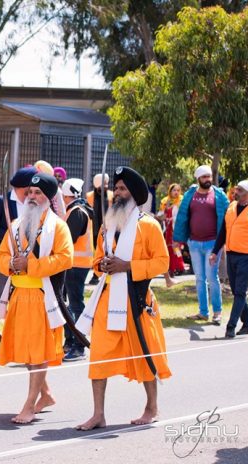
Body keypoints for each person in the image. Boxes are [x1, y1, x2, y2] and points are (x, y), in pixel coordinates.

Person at [75, 166, 171, 431]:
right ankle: (98, 414)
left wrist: (127, 266)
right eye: (115, 188)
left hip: (137, 301)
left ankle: (151, 407)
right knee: (98, 357)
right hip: (107, 300)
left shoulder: (148, 225)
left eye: (122, 189)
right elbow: (96, 259)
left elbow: (162, 263)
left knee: (144, 353)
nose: (117, 193)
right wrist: (101, 265)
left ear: (134, 193)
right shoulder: (106, 225)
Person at [0, 173, 73, 424]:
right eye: (30, 192)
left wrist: (32, 265)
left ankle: (29, 405)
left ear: (48, 198)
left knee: (38, 354)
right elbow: (0, 256)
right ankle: (46, 394)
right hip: (18, 296)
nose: (32, 197)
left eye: (38, 193)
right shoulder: (16, 224)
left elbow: (65, 259)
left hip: (42, 296)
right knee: (28, 353)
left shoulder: (57, 226)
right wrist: (12, 264)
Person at [0, 167, 36, 337]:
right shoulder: (3, 201)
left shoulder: (33, 201)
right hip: (7, 256)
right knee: (2, 291)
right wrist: (9, 237)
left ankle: (19, 327)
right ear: (23, 186)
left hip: (28, 257)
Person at [174, 165, 229, 324]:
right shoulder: (190, 195)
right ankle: (203, 312)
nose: (207, 179)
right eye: (204, 177)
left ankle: (217, 312)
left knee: (212, 277)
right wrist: (178, 238)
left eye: (209, 176)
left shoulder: (219, 195)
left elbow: (227, 218)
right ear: (198, 178)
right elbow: (183, 217)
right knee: (199, 278)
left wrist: (225, 240)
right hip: (194, 243)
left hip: (213, 243)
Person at [209, 180, 248, 338]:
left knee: (240, 292)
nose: (236, 192)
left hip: (247, 256)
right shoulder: (231, 207)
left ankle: (231, 326)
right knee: (237, 290)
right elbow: (223, 231)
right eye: (236, 189)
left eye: (240, 190)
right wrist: (215, 252)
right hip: (231, 253)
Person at [61, 178, 93, 362]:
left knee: (74, 305)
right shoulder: (79, 210)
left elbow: (68, 240)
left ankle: (79, 345)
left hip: (75, 264)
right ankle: (71, 340)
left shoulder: (76, 212)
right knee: (70, 303)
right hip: (75, 264)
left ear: (66, 194)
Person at [86, 173, 112, 285]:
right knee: (96, 252)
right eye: (103, 183)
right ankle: (95, 273)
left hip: (107, 228)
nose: (105, 186)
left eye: (106, 183)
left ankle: (97, 275)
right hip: (93, 228)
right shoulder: (89, 196)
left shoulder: (111, 195)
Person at [158, 183, 185, 279]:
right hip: (168, 229)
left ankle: (178, 267)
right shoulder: (165, 202)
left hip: (177, 229)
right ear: (170, 191)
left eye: (178, 190)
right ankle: (170, 268)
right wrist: (166, 212)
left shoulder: (182, 201)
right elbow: (161, 216)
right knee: (169, 249)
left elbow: (183, 216)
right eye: (174, 190)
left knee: (177, 248)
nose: (176, 192)